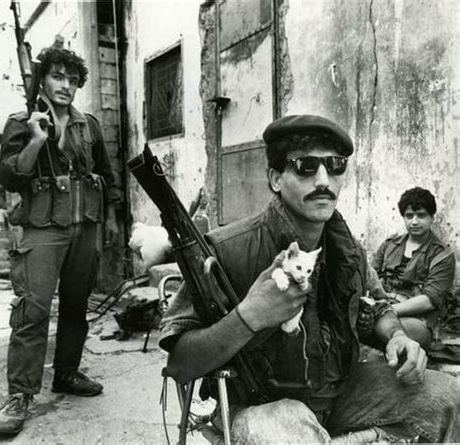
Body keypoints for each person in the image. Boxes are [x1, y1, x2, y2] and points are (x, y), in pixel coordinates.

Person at [159, 115, 460, 443]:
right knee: (289, 432)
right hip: (259, 404)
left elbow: (379, 306)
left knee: (447, 396)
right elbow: (180, 365)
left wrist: (397, 338)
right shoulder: (226, 250)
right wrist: (247, 318)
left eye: (335, 165)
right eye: (305, 166)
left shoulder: (347, 249)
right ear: (275, 178)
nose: (323, 180)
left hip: (342, 392)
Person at [0, 46, 119, 435]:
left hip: (86, 225)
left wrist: (110, 218)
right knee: (32, 312)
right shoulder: (21, 122)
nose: (66, 86)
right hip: (43, 228)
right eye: (58, 77)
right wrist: (36, 138)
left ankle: (67, 374)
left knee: (77, 306)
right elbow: (9, 178)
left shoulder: (88, 125)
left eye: (73, 80)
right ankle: (20, 396)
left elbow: (105, 173)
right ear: (42, 80)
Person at [373, 187, 456, 351]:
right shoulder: (389, 245)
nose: (415, 222)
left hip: (417, 320)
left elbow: (429, 300)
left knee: (390, 330)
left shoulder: (443, 255)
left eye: (421, 215)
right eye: (409, 216)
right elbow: (369, 277)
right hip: (382, 306)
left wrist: (386, 311)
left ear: (432, 217)